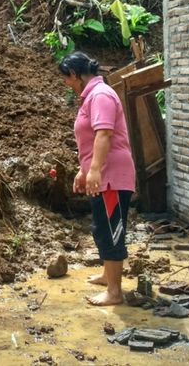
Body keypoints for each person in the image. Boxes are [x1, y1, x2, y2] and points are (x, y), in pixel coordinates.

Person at [59, 52, 135, 306]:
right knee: (101, 226)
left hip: (111, 175)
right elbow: (91, 141)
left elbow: (103, 135)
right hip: (104, 172)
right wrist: (85, 170)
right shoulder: (93, 96)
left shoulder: (100, 95)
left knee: (111, 229)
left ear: (76, 74)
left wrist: (95, 170)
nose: (67, 84)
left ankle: (115, 292)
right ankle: (107, 275)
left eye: (67, 79)